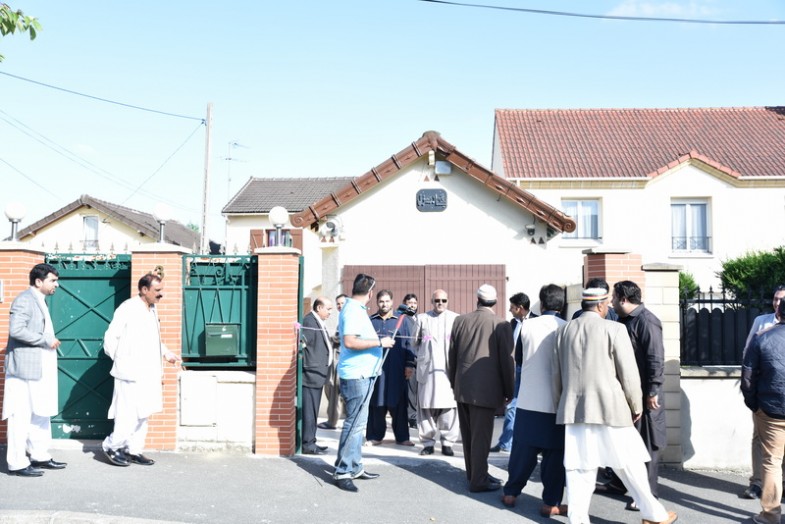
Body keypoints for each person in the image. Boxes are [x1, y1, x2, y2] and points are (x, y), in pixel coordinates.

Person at [553, 286, 677, 524]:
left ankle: (578, 520)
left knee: (579, 469)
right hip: (611, 408)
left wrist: (562, 404)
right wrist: (635, 405)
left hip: (574, 410)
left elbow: (555, 375)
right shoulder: (615, 329)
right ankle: (653, 515)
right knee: (630, 462)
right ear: (601, 305)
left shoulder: (564, 331)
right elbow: (628, 373)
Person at [101, 272, 180, 467]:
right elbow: (110, 339)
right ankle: (112, 446)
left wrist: (167, 354)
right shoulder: (128, 308)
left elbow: (153, 340)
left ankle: (133, 450)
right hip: (129, 373)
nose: (161, 294)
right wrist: (123, 361)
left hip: (148, 373)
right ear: (144, 290)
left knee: (144, 413)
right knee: (127, 414)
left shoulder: (151, 309)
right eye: (157, 290)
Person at [502, 284, 567, 517]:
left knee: (522, 451)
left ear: (541, 302)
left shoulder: (527, 325)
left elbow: (518, 359)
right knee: (554, 457)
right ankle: (550, 503)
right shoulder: (567, 327)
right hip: (556, 404)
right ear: (562, 304)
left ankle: (511, 493)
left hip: (529, 400)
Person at [2, 263, 67, 477]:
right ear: (39, 281)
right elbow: (16, 329)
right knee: (20, 415)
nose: (56, 284)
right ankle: (17, 463)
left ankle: (40, 455)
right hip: (23, 370)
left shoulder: (40, 300)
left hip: (39, 368)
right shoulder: (24, 300)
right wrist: (44, 340)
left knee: (40, 412)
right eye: (53, 280)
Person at [448, 284, 514, 492]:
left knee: (468, 435)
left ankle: (475, 474)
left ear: (477, 299)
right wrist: (509, 391)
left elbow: (451, 356)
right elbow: (507, 362)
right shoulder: (501, 324)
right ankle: (478, 480)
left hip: (463, 387)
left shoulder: (460, 321)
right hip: (487, 390)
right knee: (481, 438)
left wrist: (454, 383)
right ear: (495, 302)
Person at [333, 274, 394, 493]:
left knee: (359, 425)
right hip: (356, 376)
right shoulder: (351, 310)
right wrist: (380, 342)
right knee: (354, 424)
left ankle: (355, 466)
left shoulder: (355, 309)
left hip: (363, 375)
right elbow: (350, 341)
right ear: (370, 292)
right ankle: (343, 471)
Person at [612, 280, 667, 509]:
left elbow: (655, 357)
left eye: (614, 298)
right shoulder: (624, 321)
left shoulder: (646, 321)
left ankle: (648, 493)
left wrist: (653, 390)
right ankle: (620, 483)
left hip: (646, 394)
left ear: (624, 299)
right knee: (627, 441)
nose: (612, 302)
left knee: (647, 443)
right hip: (628, 392)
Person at [741, 298, 785, 524]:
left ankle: (770, 516)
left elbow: (748, 375)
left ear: (779, 313)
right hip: (770, 408)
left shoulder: (762, 337)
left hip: (771, 409)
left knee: (771, 462)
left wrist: (754, 404)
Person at [413, 289, 460, 456]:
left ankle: (447, 443)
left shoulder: (455, 318)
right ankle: (427, 443)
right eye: (437, 300)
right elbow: (414, 343)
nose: (440, 303)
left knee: (449, 408)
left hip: (448, 371)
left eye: (444, 300)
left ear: (448, 301)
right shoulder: (422, 318)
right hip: (428, 370)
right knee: (425, 408)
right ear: (432, 301)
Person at [366, 290, 415, 446]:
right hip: (376, 369)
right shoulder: (371, 321)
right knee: (377, 402)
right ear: (377, 302)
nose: (384, 304)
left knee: (399, 403)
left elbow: (409, 344)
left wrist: (409, 364)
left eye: (387, 301)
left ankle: (403, 437)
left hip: (397, 369)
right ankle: (375, 436)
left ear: (392, 302)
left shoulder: (402, 320)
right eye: (381, 301)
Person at [491, 292, 535, 453]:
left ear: (520, 308)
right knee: (512, 407)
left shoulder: (537, 321)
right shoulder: (512, 324)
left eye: (512, 307)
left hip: (533, 371)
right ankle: (505, 443)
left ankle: (523, 444)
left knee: (528, 409)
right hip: (516, 370)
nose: (509, 310)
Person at [300, 296, 333, 454]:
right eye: (328, 309)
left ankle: (311, 441)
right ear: (319, 308)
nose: (330, 312)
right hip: (311, 374)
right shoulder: (309, 321)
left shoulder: (318, 321)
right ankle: (308, 444)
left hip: (318, 374)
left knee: (313, 412)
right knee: (309, 412)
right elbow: (303, 345)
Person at [319, 293, 347, 431]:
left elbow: (347, 338)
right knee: (332, 390)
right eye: (338, 304)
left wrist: (332, 339)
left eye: (343, 303)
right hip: (337, 359)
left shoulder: (350, 318)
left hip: (344, 361)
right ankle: (333, 420)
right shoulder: (342, 318)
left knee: (337, 391)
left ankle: (333, 421)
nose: (340, 306)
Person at [403, 293, 419, 430]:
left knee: (418, 391)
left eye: (414, 303)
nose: (412, 305)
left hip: (420, 360)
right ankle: (411, 417)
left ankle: (416, 415)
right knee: (411, 391)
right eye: (409, 303)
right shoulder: (403, 318)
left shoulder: (419, 319)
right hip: (409, 360)